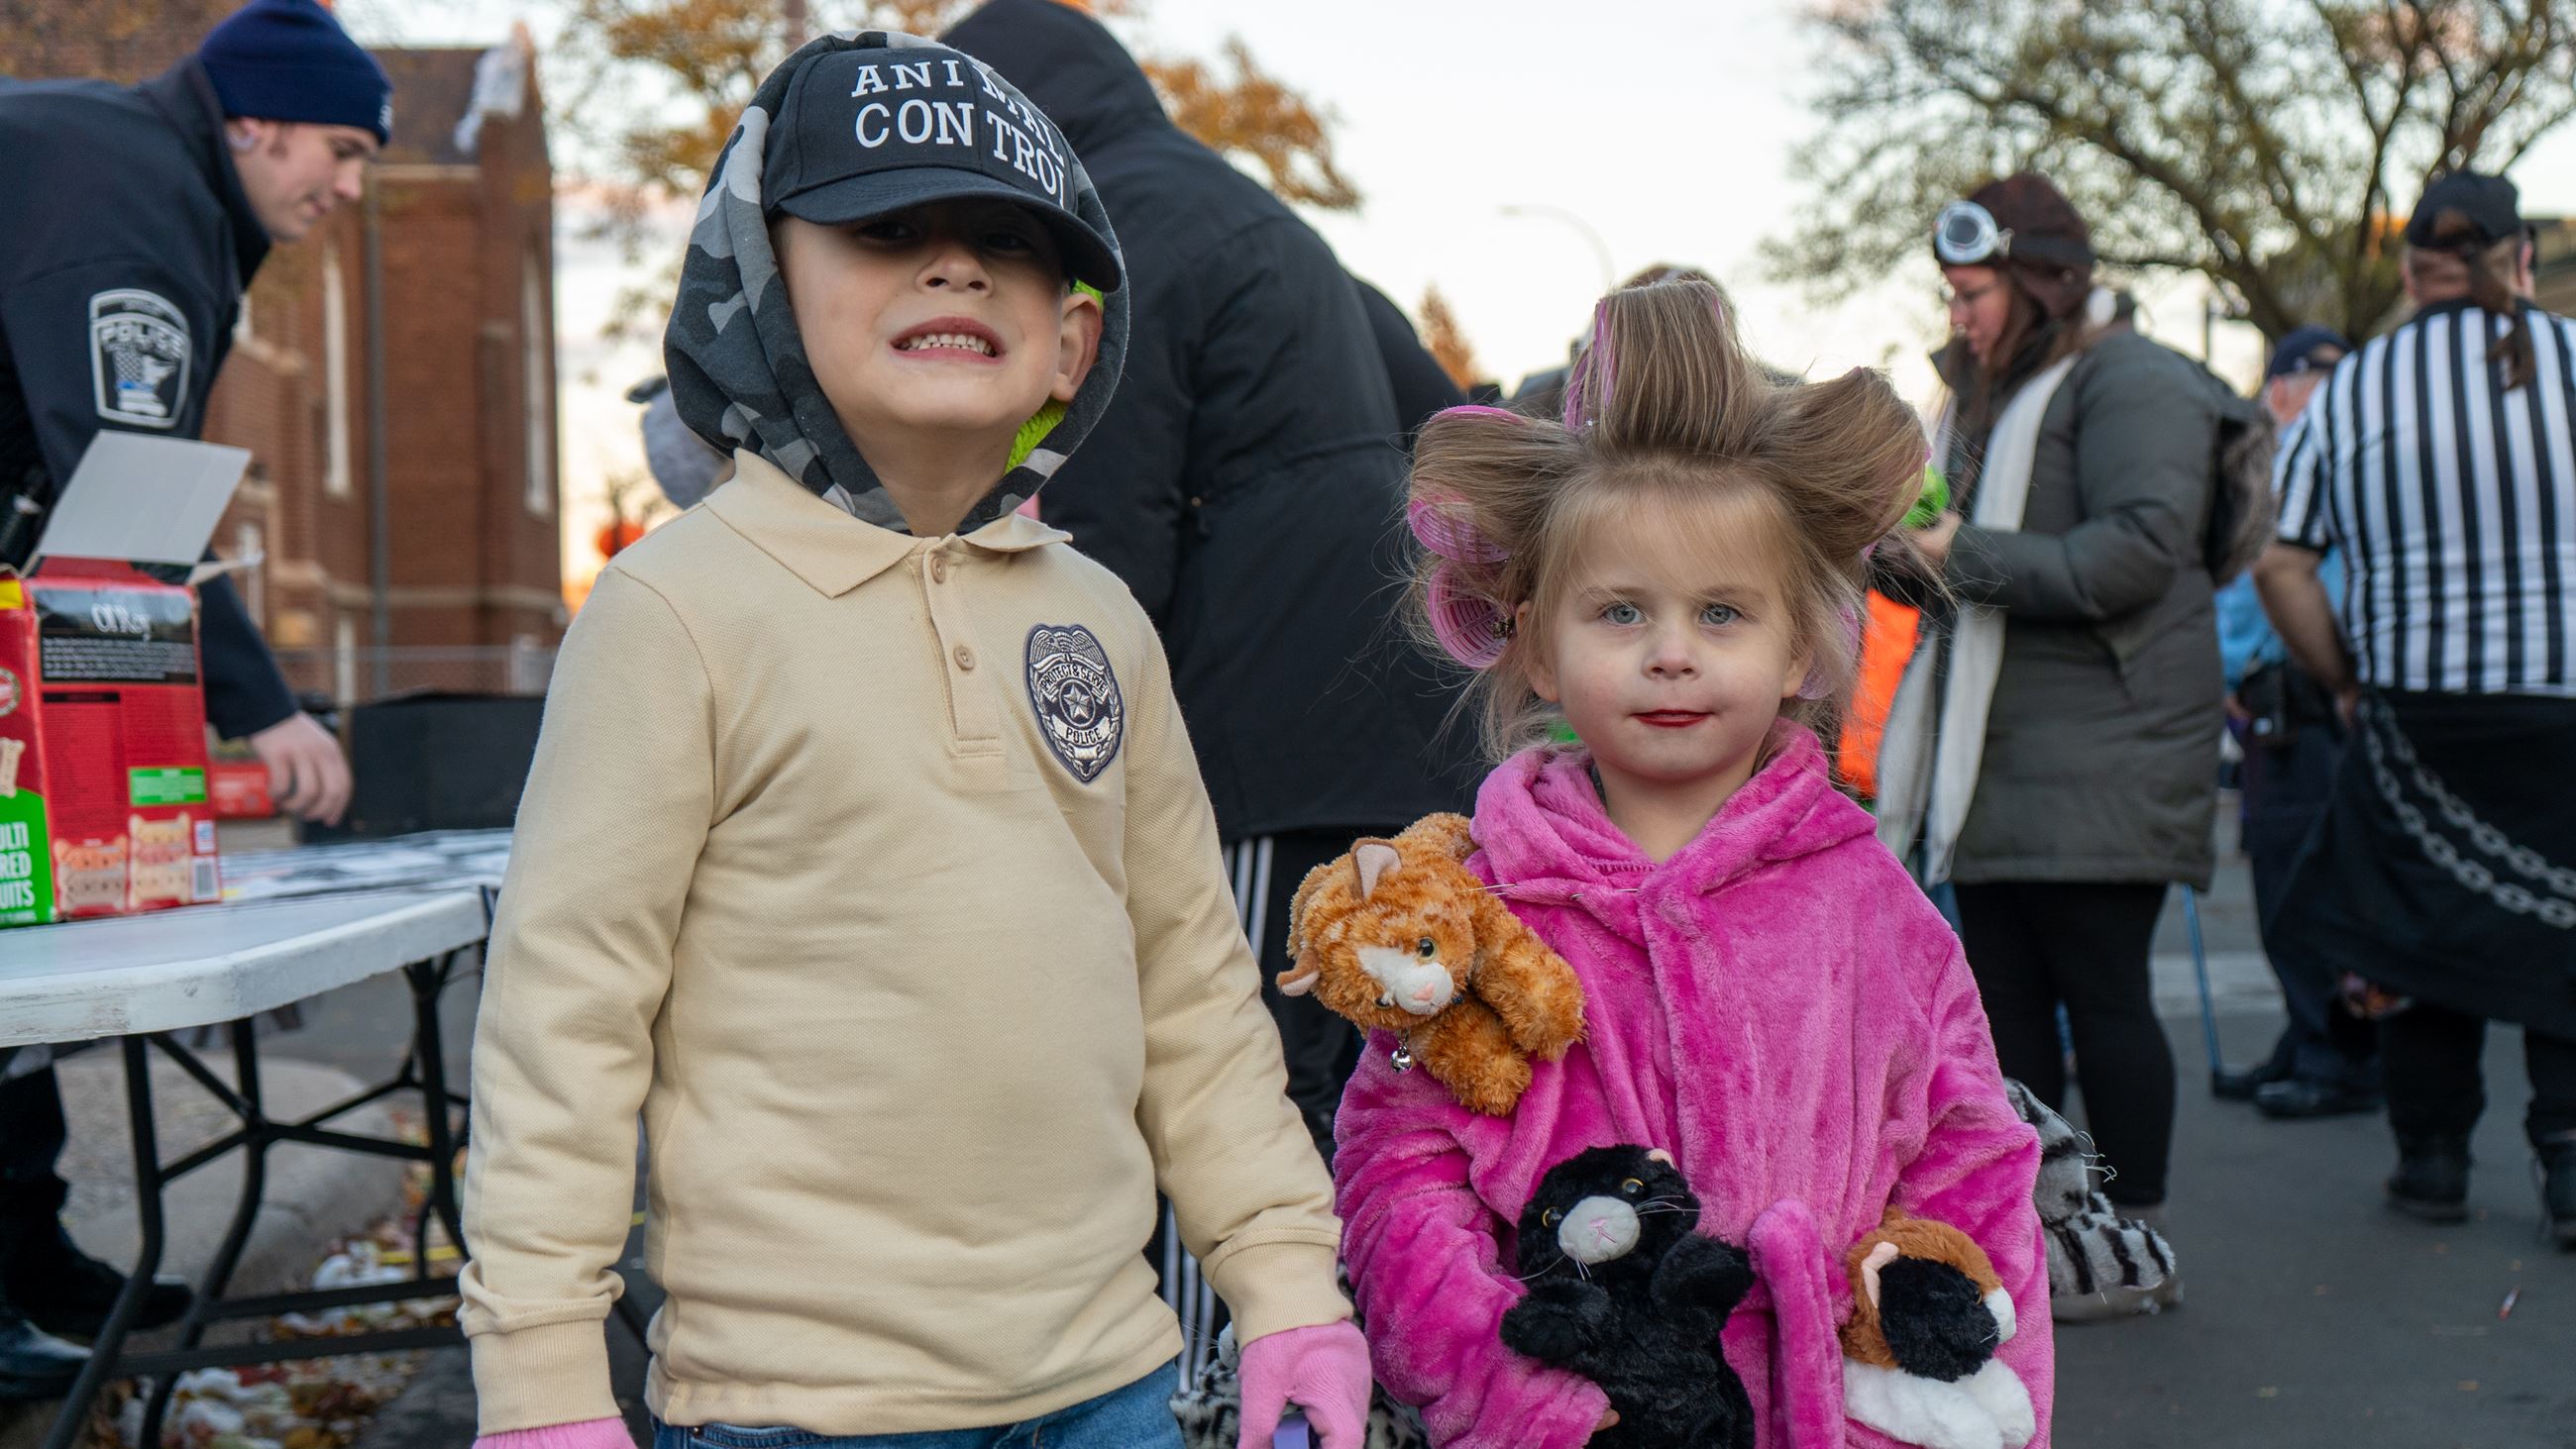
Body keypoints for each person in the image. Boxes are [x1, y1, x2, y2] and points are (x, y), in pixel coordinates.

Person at [456, 35, 1369, 1449]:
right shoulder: (673, 611)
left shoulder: (1102, 616)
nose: (956, 268)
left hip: (1111, 1378)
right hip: (796, 1407)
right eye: (888, 229)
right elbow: (562, 1024)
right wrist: (540, 1378)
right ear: (760, 287)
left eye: (1009, 240)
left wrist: (1290, 1287)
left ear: (1074, 338)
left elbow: (1190, 982)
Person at [1333, 281, 2050, 1447]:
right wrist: (1515, 1387)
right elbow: (1399, 1171)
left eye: (1721, 613)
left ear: (1798, 647)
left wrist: (1928, 1401)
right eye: (1619, 613)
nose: (1670, 653)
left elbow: (1970, 1159)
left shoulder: (1874, 910)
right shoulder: (1466, 918)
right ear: (1540, 648)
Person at [942, 0, 1475, 1174]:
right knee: (1394, 1067)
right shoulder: (1249, 209)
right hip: (1415, 715)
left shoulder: (1110, 239)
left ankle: (1227, 1353)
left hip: (1270, 733)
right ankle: (1380, 1336)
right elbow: (1448, 414)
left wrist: (1066, 751)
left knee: (1236, 1058)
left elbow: (1105, 534)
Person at [0, 0, 383, 1397]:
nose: (349, 187)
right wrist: (265, 705)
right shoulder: (130, 195)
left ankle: (29, 1264)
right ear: (254, 119)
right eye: (337, 150)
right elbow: (122, 485)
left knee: (10, 915)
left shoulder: (143, 178)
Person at [1877, 173, 2225, 1214]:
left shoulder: (2132, 380)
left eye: (1972, 292)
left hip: (2104, 750)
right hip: (1995, 756)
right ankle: (2046, 1221)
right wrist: (1889, 555)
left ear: (2037, 284)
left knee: (2102, 996)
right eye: (1948, 295)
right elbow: (1958, 573)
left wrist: (1954, 548)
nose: (1958, 317)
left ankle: (2130, 1219)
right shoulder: (1982, 397)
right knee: (2007, 1013)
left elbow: (2131, 554)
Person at [2257, 169, 2576, 1243]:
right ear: (2519, 257)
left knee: (2417, 931)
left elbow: (2280, 564)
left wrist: (2344, 677)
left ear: (2408, 269)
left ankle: (2432, 1158)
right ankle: (2570, 1162)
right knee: (2564, 936)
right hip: (2566, 704)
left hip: (2416, 705)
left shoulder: (2353, 387)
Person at [2210, 325, 2382, 1119]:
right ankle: (2307, 1034)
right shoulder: (2278, 459)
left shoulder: (2332, 459)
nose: (2337, 392)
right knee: (2283, 879)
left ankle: (2333, 1049)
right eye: (2320, 378)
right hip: (2277, 700)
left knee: (2307, 883)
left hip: (2313, 699)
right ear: (2280, 387)